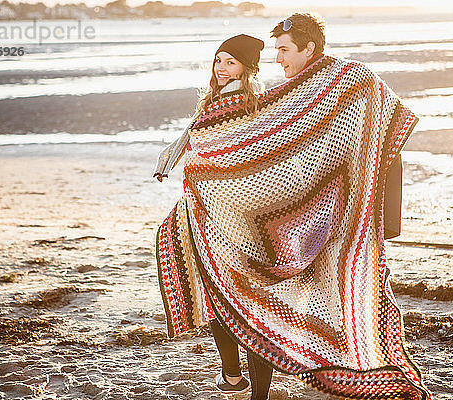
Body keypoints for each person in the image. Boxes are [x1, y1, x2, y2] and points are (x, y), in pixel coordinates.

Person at [155, 14, 431, 400]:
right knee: (233, 293)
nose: (279, 58)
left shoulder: (346, 79)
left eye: (284, 50)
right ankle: (237, 377)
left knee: (264, 300)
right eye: (277, 50)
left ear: (309, 49)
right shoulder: (291, 92)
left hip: (319, 214)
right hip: (274, 212)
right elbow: (275, 149)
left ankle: (251, 383)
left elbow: (379, 122)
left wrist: (375, 203)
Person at [153, 33, 273, 399]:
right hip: (232, 212)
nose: (221, 68)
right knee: (239, 299)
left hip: (226, 216)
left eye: (230, 62)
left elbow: (226, 150)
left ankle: (238, 378)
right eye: (218, 60)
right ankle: (236, 378)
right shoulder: (243, 99)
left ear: (247, 68)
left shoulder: (239, 100)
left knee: (227, 297)